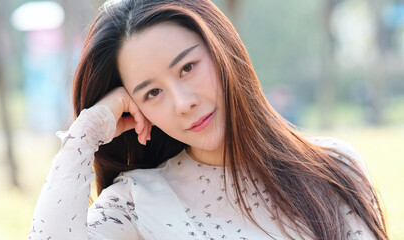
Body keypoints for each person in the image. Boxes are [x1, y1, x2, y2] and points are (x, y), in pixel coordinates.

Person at [29, 0, 388, 239]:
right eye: (152, 93)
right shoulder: (136, 201)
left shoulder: (334, 168)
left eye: (187, 67)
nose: (183, 103)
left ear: (222, 51)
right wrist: (88, 130)